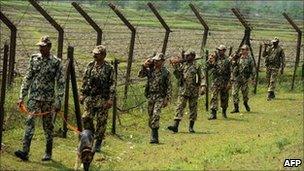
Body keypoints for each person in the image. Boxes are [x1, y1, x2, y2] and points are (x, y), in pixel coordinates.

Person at [15, 36, 65, 161]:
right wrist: (22, 96)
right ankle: (25, 152)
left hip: (48, 100)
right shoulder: (34, 59)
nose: (41, 48)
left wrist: (59, 101)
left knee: (48, 126)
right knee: (30, 122)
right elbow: (28, 78)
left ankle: (48, 153)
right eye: (40, 46)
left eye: (43, 46)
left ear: (49, 47)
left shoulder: (56, 62)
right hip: (34, 98)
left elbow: (61, 83)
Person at [79, 45, 114, 152]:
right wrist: (82, 94)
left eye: (97, 54)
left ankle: (98, 142)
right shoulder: (90, 66)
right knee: (86, 118)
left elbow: (112, 83)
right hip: (90, 97)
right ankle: (89, 137)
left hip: (102, 98)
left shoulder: (109, 68)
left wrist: (110, 99)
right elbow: (85, 80)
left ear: (103, 55)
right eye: (93, 53)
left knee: (101, 121)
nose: (94, 55)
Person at [139, 53, 172, 144]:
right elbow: (141, 75)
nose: (156, 62)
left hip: (160, 96)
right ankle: (153, 130)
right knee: (150, 115)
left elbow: (169, 86)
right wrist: (144, 66)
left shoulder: (166, 72)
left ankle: (154, 136)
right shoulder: (150, 70)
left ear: (162, 61)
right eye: (155, 60)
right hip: (150, 96)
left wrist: (167, 98)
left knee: (156, 114)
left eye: (158, 61)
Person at [167, 49, 202, 133]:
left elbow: (202, 76)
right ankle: (175, 126)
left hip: (194, 90)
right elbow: (178, 76)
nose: (186, 57)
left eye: (188, 55)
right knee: (179, 107)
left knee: (193, 108)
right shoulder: (183, 65)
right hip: (183, 90)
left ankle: (191, 127)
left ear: (193, 56)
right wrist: (175, 66)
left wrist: (203, 86)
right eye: (185, 55)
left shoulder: (197, 66)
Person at [206, 45, 231, 120]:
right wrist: (210, 60)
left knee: (224, 97)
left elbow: (231, 71)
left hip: (224, 81)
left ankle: (224, 112)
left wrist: (230, 82)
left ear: (224, 51)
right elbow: (207, 67)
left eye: (221, 50)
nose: (219, 51)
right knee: (213, 97)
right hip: (216, 81)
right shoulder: (215, 58)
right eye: (218, 50)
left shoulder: (227, 60)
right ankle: (213, 114)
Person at [230, 45, 255, 113]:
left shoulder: (250, 59)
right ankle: (236, 107)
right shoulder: (238, 57)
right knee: (234, 93)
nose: (242, 51)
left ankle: (245, 103)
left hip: (245, 78)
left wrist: (253, 78)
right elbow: (232, 65)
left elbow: (252, 68)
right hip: (237, 78)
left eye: (243, 49)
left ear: (247, 51)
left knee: (245, 93)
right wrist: (234, 59)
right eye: (241, 49)